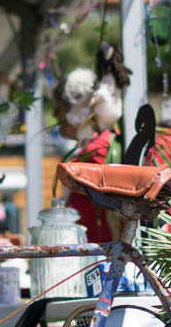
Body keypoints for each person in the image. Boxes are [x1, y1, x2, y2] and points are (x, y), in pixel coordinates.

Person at [55, 45, 128, 242]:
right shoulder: (93, 147)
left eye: (60, 108)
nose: (55, 114)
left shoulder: (99, 150)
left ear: (82, 111)